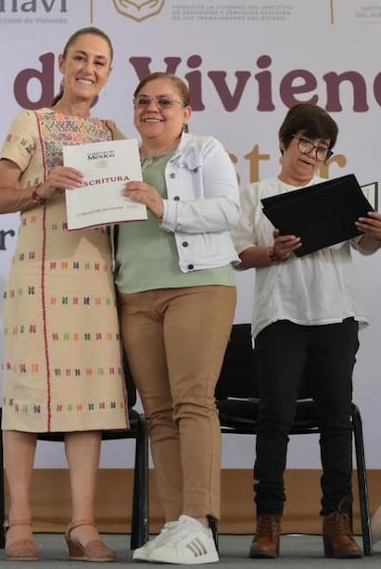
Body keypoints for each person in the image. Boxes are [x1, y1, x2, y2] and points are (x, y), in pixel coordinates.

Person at [230, 102, 381, 560]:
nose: (312, 154)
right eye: (305, 142)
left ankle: (337, 522)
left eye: (322, 148)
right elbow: (238, 254)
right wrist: (272, 252)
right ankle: (268, 523)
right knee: (274, 417)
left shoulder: (337, 193)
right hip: (280, 315)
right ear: (284, 142)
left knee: (336, 421)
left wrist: (378, 235)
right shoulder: (255, 193)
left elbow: (362, 244)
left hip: (336, 313)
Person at [0, 26, 126, 563]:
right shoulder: (31, 122)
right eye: (80, 58)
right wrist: (44, 187)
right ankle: (17, 523)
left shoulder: (114, 132)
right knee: (25, 400)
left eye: (100, 61)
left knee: (88, 403)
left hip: (95, 279)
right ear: (62, 64)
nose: (89, 68)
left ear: (109, 73)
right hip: (40, 277)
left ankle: (81, 527)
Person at [117, 73, 239, 565]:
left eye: (165, 102)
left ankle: (200, 523)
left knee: (193, 402)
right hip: (134, 294)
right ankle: (174, 524)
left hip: (198, 285)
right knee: (159, 413)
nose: (153, 109)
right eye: (143, 101)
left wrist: (163, 206)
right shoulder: (120, 160)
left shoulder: (205, 150)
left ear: (186, 112)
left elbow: (228, 210)